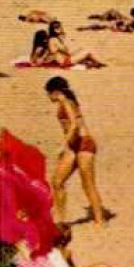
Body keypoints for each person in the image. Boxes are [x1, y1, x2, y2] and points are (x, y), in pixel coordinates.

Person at [46, 76, 109, 226]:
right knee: (57, 181)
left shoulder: (66, 102)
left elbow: (74, 125)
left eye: (48, 94)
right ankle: (61, 220)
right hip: (74, 146)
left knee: (88, 184)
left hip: (84, 144)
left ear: (54, 92)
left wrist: (63, 144)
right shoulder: (66, 102)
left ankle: (100, 220)